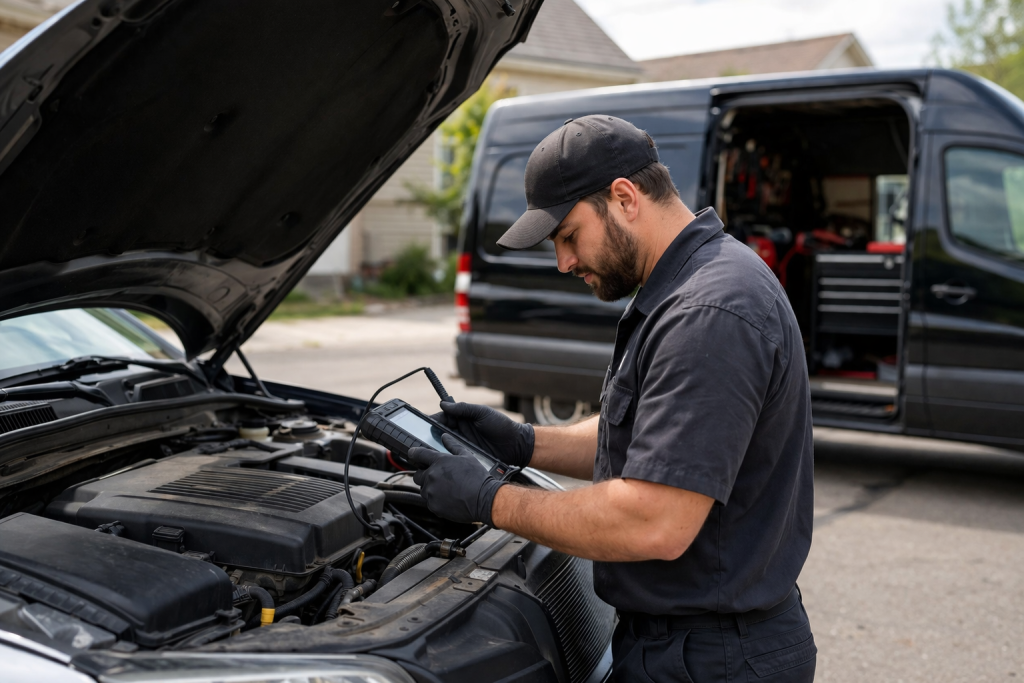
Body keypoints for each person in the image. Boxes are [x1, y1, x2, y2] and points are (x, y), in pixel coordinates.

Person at [408, 115, 815, 681]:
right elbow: (652, 443)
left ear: (623, 198)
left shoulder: (709, 311)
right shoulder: (692, 284)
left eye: (569, 236)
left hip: (711, 660)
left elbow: (654, 520)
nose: (564, 262)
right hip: (692, 644)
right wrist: (524, 442)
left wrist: (491, 500)